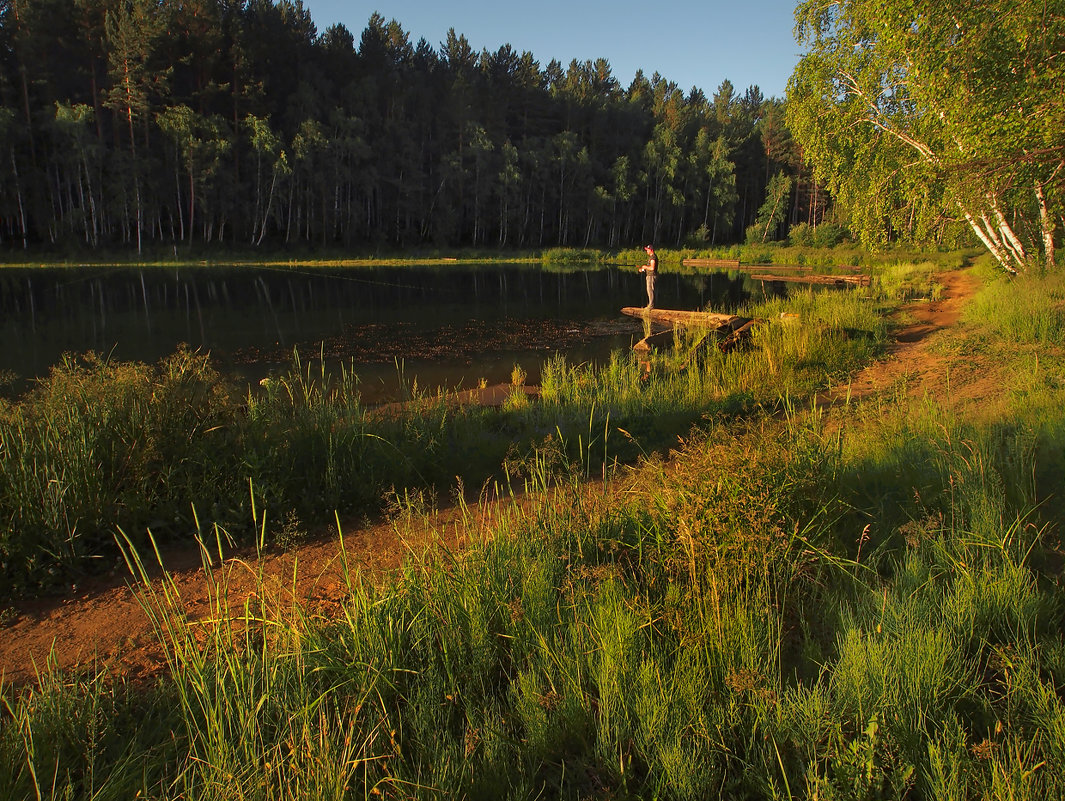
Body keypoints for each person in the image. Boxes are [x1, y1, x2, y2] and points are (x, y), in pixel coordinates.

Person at [638, 244, 659, 309]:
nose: (646, 251)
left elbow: (652, 268)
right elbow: (649, 268)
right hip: (649, 276)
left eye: (648, 250)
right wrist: (642, 269)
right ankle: (651, 305)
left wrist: (645, 266)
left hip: (651, 276)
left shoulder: (653, 257)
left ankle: (651, 306)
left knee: (650, 290)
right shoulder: (651, 257)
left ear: (651, 250)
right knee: (649, 290)